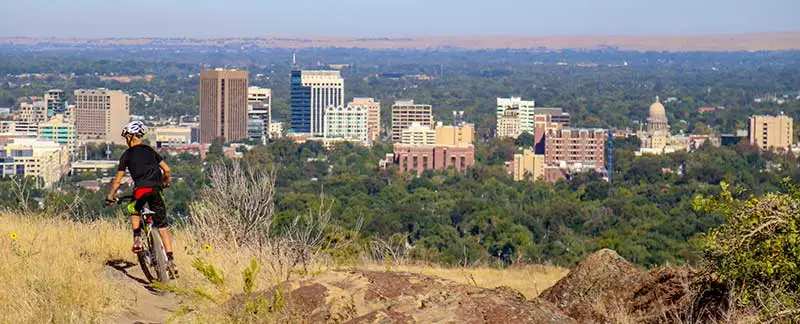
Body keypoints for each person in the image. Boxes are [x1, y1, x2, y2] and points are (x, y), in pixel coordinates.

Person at [105, 121, 177, 276]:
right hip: (156, 190)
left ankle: (137, 238)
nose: (125, 140)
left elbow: (118, 181)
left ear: (131, 137)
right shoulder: (151, 151)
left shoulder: (127, 155)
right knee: (163, 227)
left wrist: (110, 196)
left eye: (126, 137)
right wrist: (165, 182)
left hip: (141, 190)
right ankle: (171, 260)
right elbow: (167, 169)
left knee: (133, 208)